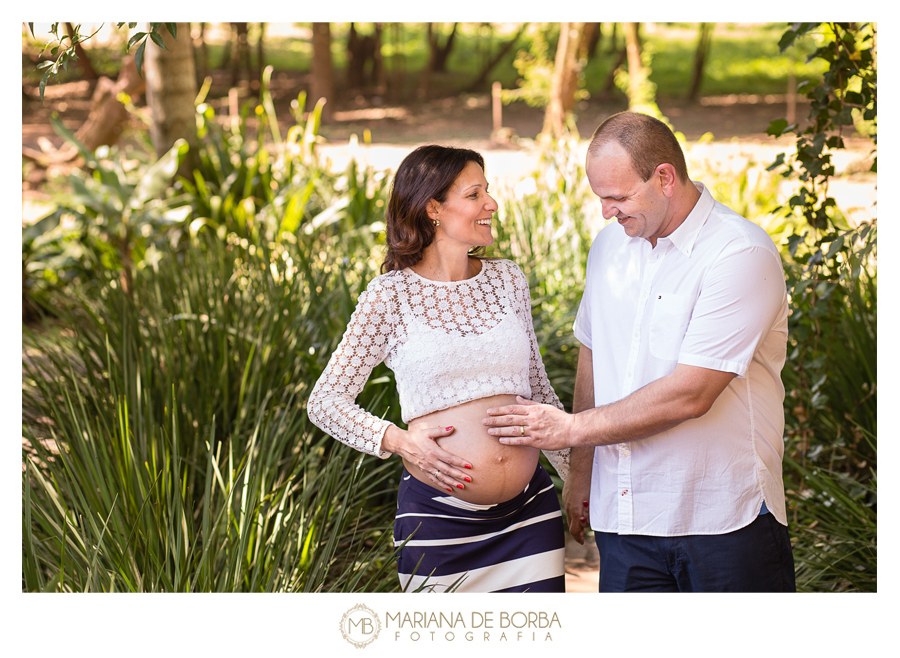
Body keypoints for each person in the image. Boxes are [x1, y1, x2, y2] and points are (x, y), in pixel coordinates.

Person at [483, 111, 796, 592]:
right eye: (601, 199)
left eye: (619, 197)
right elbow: (593, 355)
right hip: (624, 518)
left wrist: (569, 429)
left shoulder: (739, 254)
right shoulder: (610, 247)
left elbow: (690, 394)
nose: (607, 212)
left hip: (722, 518)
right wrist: (581, 472)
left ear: (665, 178)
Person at [307, 144, 570, 593]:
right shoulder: (390, 296)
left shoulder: (507, 279)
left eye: (488, 191)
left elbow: (538, 390)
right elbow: (325, 402)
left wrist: (578, 478)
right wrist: (401, 441)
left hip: (531, 515)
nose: (491, 203)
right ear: (433, 207)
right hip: (438, 520)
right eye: (474, 194)